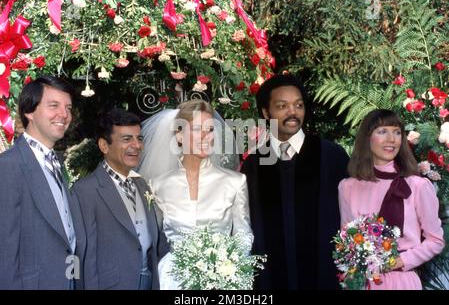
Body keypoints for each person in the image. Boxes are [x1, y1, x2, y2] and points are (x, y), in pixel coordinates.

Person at [240, 74, 349, 289]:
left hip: (323, 277)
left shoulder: (331, 156)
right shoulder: (254, 164)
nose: (293, 112)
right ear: (265, 112)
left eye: (298, 105)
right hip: (270, 279)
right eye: (282, 106)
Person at [137, 99, 254, 289]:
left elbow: (243, 233)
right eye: (197, 129)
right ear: (180, 136)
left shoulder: (235, 182)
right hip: (172, 280)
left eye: (210, 130)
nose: (206, 137)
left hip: (222, 280)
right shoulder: (158, 186)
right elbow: (149, 239)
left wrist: (230, 265)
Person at [338, 109, 445, 290]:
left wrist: (399, 261)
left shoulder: (417, 186)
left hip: (403, 281)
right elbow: (347, 242)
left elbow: (436, 240)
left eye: (397, 132)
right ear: (367, 138)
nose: (391, 139)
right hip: (363, 283)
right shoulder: (347, 187)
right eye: (382, 131)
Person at [0, 76, 86, 289]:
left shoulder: (56, 161)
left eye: (68, 107)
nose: (64, 115)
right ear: (29, 111)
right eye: (54, 106)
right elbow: (4, 251)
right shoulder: (8, 167)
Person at [72, 109, 169, 289]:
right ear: (104, 145)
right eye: (126, 139)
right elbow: (84, 255)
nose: (136, 145)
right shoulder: (85, 191)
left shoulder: (142, 185)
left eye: (139, 139)